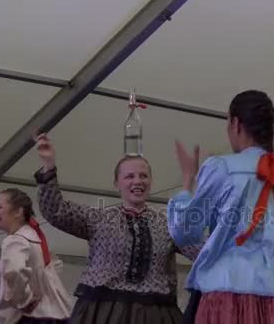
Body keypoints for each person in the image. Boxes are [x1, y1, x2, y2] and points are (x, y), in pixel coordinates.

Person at [168, 90, 274, 324]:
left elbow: (185, 231)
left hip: (231, 293)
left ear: (235, 123)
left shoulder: (222, 168)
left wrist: (187, 184)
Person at [33, 134, 202, 324]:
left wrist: (188, 182)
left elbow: (201, 252)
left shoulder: (168, 223)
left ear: (151, 182)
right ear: (117, 184)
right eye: (129, 176)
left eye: (143, 176)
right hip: (102, 313)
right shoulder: (99, 219)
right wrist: (48, 166)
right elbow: (56, 211)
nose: (137, 181)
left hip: (154, 314)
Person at [0, 188, 73, 324]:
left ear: (18, 212)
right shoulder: (36, 240)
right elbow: (53, 269)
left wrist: (23, 300)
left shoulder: (16, 240)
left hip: (27, 318)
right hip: (52, 315)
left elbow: (15, 272)